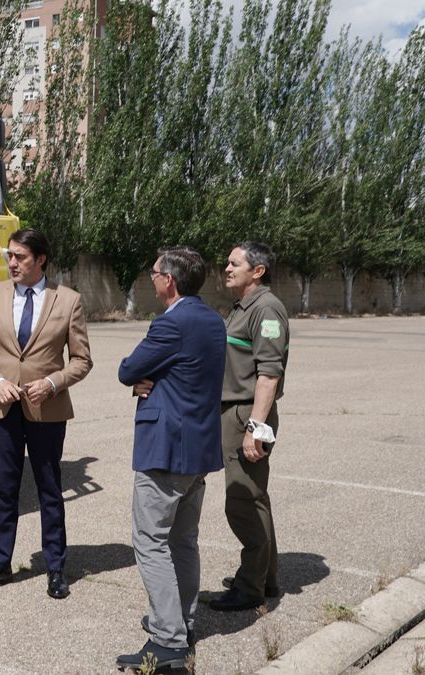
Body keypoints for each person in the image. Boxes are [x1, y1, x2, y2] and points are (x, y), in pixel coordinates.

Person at [0, 228, 92, 598]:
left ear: (41, 260)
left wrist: (53, 383)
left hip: (46, 410)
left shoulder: (67, 301)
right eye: (10, 255)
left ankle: (55, 567)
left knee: (50, 489)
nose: (12, 263)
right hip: (1, 407)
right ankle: (1, 563)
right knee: (5, 489)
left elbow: (82, 361)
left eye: (20, 257)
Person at [115, 247, 225, 670]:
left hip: (166, 449)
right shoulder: (213, 320)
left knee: (150, 542)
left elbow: (128, 369)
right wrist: (157, 379)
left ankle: (168, 642)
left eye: (155, 272)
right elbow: (187, 375)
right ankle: (182, 621)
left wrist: (147, 380)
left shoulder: (171, 323)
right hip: (198, 448)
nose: (151, 278)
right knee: (183, 540)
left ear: (170, 281)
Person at [208, 241, 290, 612]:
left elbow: (269, 375)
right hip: (238, 411)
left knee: (242, 500)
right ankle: (265, 577)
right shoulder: (244, 306)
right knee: (255, 498)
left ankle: (249, 587)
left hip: (246, 413)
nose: (227, 268)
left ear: (257, 271)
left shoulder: (266, 309)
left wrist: (255, 427)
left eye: (234, 263)